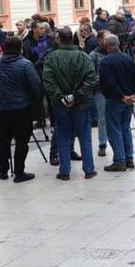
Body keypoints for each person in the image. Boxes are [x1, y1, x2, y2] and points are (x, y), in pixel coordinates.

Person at [42, 27, 98, 180]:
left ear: (59, 39)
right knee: (85, 137)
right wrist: (76, 96)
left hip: (61, 105)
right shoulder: (83, 57)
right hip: (81, 104)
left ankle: (65, 171)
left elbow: (48, 81)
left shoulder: (52, 58)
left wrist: (62, 98)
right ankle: (89, 170)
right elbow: (91, 79)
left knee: (63, 137)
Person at [0, 36, 43, 182]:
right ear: (19, 48)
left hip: (4, 108)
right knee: (22, 142)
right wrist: (36, 101)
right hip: (22, 108)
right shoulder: (25, 64)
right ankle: (19, 173)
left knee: (4, 142)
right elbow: (36, 85)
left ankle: (3, 171)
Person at [97, 34, 135, 172]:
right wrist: (133, 94)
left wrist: (121, 96)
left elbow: (108, 83)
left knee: (114, 130)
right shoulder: (128, 58)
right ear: (118, 44)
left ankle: (119, 161)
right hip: (128, 98)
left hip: (114, 100)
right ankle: (129, 158)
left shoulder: (106, 61)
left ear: (106, 45)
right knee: (125, 128)